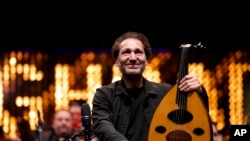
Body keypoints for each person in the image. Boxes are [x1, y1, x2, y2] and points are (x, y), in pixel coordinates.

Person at [91, 31, 209, 141]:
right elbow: (103, 126)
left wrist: (199, 92)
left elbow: (196, 121)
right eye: (126, 52)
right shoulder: (104, 95)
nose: (132, 58)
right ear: (117, 61)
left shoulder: (166, 92)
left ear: (146, 60)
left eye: (138, 52)